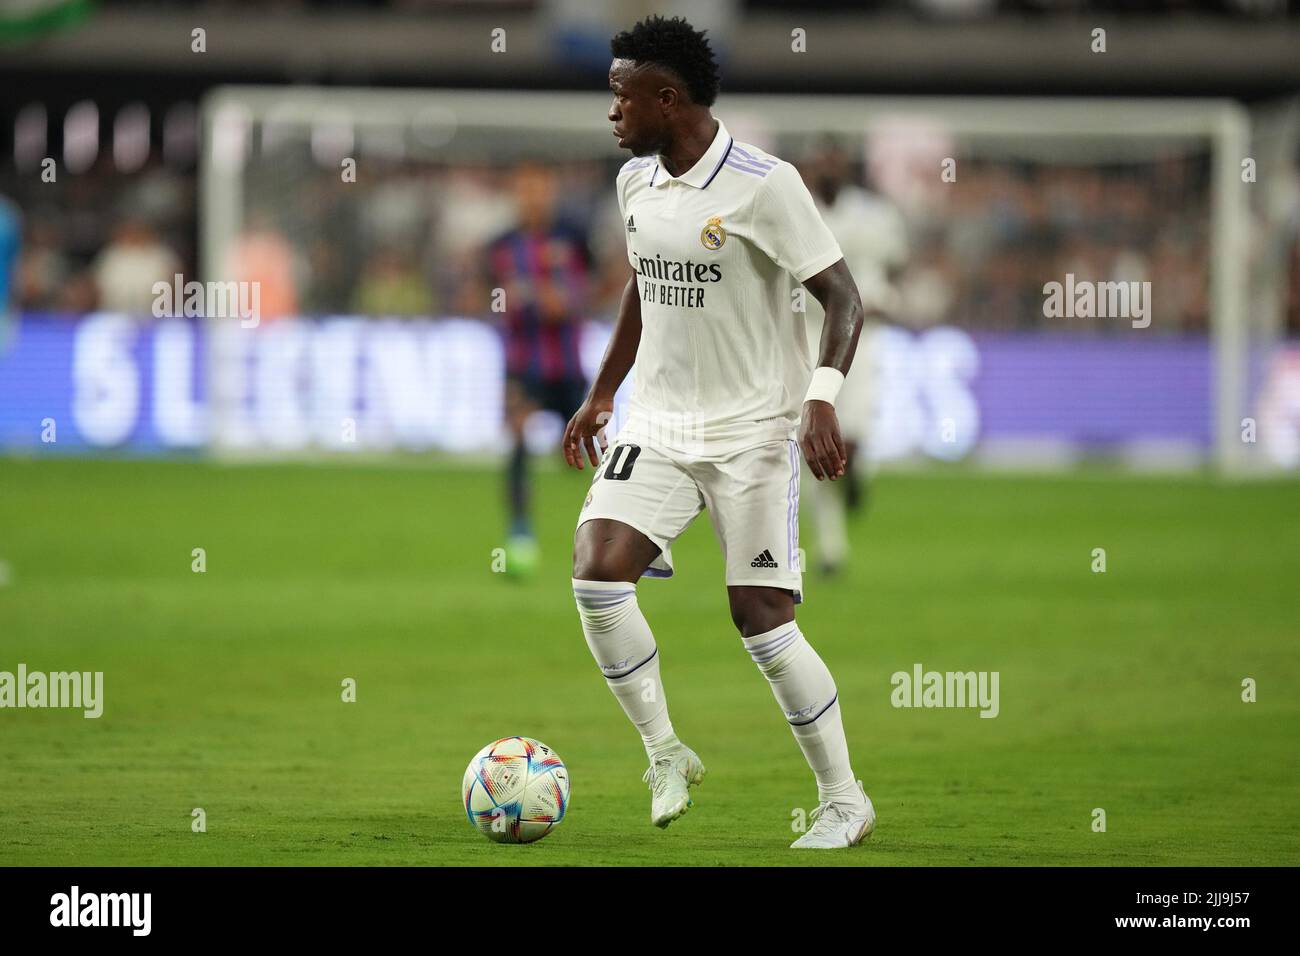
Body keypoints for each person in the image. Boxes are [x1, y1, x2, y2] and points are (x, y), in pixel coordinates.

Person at [563, 16, 875, 848]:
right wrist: (602, 392)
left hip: (752, 433)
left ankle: (845, 800)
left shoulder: (766, 186)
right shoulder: (636, 185)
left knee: (762, 617)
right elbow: (643, 284)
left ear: (669, 99)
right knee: (597, 578)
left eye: (622, 96)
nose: (612, 113)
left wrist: (821, 396)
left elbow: (843, 297)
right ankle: (665, 752)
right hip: (659, 425)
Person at [799, 137, 909, 574]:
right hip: (805, 333)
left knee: (853, 441)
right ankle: (831, 549)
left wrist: (885, 298)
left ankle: (860, 474)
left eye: (834, 160)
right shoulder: (796, 209)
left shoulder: (873, 214)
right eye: (821, 160)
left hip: (861, 335)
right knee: (811, 445)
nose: (828, 168)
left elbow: (896, 262)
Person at [486, 162, 593, 572]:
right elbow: (487, 296)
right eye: (524, 188)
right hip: (522, 364)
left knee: (588, 453)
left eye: (539, 188)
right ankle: (519, 534)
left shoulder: (574, 238)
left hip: (567, 365)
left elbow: (592, 290)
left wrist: (563, 302)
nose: (532, 196)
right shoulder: (500, 245)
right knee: (515, 441)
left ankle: (618, 529)